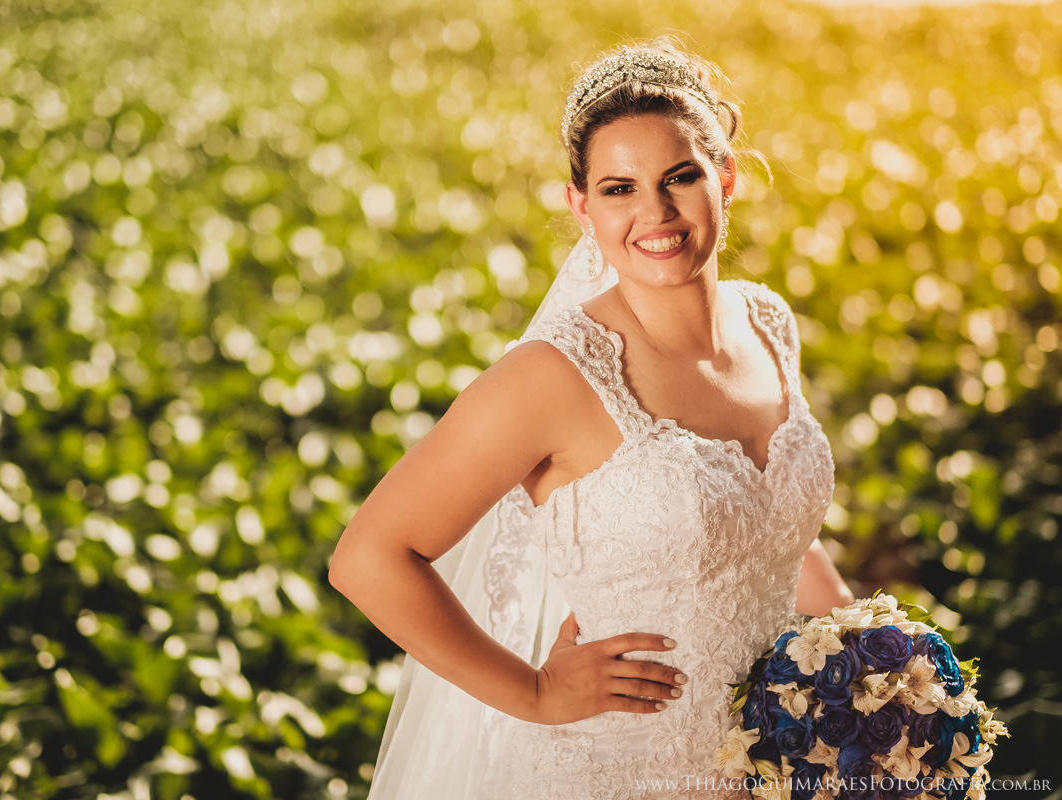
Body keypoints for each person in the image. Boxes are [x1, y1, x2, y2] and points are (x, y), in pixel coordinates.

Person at [328, 35, 854, 799]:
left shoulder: (767, 323)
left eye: (680, 176)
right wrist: (535, 693)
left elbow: (766, 528)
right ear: (580, 206)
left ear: (726, 177)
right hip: (623, 774)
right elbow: (369, 558)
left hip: (782, 768)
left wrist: (865, 643)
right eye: (619, 189)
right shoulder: (556, 375)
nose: (656, 212)